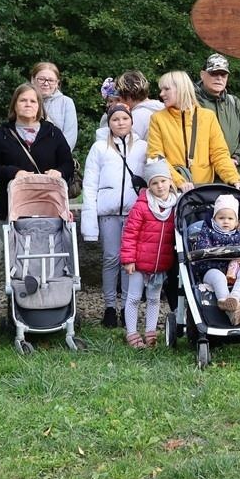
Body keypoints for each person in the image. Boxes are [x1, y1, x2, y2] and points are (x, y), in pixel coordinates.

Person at [81, 103, 146, 328]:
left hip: (133, 212)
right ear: (109, 123)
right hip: (108, 213)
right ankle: (110, 306)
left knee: (129, 261)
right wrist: (90, 222)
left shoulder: (142, 147)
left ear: (131, 121)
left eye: (124, 119)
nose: (120, 123)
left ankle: (129, 305)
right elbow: (89, 184)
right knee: (111, 258)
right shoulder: (99, 148)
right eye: (115, 119)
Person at [0, 83, 76, 221]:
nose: (28, 104)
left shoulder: (53, 133)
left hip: (50, 209)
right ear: (14, 104)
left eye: (33, 101)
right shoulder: (2, 134)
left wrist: (59, 172)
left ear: (39, 106)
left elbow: (68, 164)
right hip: (12, 210)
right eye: (23, 100)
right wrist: (13, 172)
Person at [147, 70, 240, 190]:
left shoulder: (208, 117)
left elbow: (219, 154)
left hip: (203, 191)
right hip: (172, 190)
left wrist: (234, 179)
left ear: (181, 89)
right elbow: (156, 156)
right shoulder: (157, 119)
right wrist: (179, 181)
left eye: (166, 89)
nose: (161, 94)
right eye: (162, 89)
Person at [120, 158, 179, 348]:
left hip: (160, 264)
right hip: (138, 263)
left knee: (154, 299)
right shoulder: (142, 206)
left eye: (163, 181)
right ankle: (131, 332)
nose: (160, 186)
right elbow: (130, 234)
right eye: (154, 182)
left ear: (170, 181)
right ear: (149, 185)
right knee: (134, 297)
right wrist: (129, 259)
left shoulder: (176, 207)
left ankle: (151, 332)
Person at [192, 193, 240, 325]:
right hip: (212, 270)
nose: (226, 221)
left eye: (230, 218)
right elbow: (202, 248)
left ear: (236, 220)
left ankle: (233, 299)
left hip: (235, 270)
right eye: (221, 218)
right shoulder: (208, 232)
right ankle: (223, 300)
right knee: (219, 277)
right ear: (214, 218)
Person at [196, 53, 240, 175]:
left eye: (223, 74)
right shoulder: (190, 102)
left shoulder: (234, 103)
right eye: (214, 73)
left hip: (233, 173)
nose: (219, 78)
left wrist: (237, 159)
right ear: (202, 75)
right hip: (202, 175)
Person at [30, 61, 78, 152]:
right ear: (33, 80)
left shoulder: (66, 103)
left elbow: (70, 137)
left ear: (57, 83)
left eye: (51, 80)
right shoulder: (25, 101)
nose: (46, 83)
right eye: (41, 79)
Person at [117, 70, 163, 140]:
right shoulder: (161, 108)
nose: (119, 101)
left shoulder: (137, 116)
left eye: (119, 96)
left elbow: (128, 146)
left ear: (128, 96)